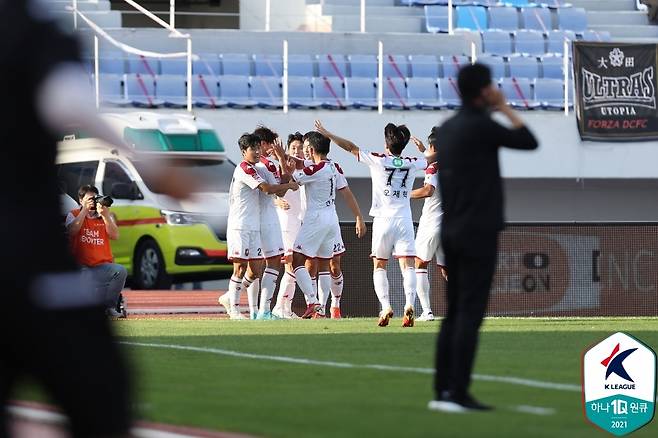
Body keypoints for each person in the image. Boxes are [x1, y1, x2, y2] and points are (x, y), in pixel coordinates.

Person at [0, 3, 194, 437]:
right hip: (32, 261)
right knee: (100, 400)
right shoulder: (32, 31)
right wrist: (151, 164)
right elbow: (65, 98)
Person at [428, 64, 538, 413]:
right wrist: (504, 108)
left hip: (452, 229)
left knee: (453, 313)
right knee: (470, 315)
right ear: (484, 90)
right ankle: (458, 392)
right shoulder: (482, 126)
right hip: (478, 232)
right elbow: (528, 141)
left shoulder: (445, 131)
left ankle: (442, 390)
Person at [315, 120, 429, 327]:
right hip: (404, 219)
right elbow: (432, 158)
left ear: (387, 144)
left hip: (383, 220)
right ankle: (409, 305)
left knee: (379, 264)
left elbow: (350, 147)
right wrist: (424, 149)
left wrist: (328, 134)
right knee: (408, 265)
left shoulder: (378, 159)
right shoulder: (412, 162)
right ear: (402, 146)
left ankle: (385, 307)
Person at [218, 133, 298, 319]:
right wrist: (292, 185)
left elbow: (279, 186)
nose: (256, 151)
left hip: (254, 225)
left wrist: (283, 164)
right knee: (239, 268)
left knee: (254, 270)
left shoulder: (260, 168)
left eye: (257, 148)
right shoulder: (244, 168)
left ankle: (231, 298)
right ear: (243, 151)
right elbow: (268, 190)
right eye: (252, 148)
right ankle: (237, 311)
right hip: (240, 224)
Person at [289, 132, 345, 319]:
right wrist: (283, 155)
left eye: (305, 149)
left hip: (316, 219)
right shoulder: (330, 166)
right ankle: (321, 308)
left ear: (311, 149)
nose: (303, 152)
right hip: (330, 219)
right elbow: (300, 163)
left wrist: (285, 166)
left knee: (297, 259)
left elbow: (295, 178)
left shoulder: (317, 169)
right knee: (323, 265)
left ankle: (314, 303)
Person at [66, 185, 127, 318]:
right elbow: (72, 231)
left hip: (101, 267)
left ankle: (109, 307)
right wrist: (84, 211)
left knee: (120, 271)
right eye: (89, 199)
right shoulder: (74, 214)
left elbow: (115, 236)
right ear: (80, 200)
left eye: (95, 199)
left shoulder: (104, 216)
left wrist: (105, 216)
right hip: (81, 268)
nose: (93, 202)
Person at [252, 126, 289, 320]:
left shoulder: (253, 164)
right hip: (267, 218)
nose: (275, 148)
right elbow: (280, 190)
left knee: (254, 266)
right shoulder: (267, 164)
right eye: (273, 144)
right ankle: (264, 310)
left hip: (254, 218)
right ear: (264, 144)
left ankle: (253, 311)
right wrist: (282, 159)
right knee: (273, 262)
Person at [410, 128, 446, 322]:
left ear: (434, 147)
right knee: (447, 269)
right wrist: (424, 149)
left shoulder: (434, 168)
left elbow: (428, 190)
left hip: (432, 222)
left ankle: (427, 312)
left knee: (419, 263)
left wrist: (405, 194)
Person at [272, 132, 305, 319]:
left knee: (293, 267)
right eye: (294, 148)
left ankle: (285, 308)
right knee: (291, 265)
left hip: (298, 221)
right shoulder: (281, 168)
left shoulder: (306, 168)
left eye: (300, 148)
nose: (297, 151)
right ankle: (280, 307)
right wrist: (276, 201)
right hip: (286, 221)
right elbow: (268, 191)